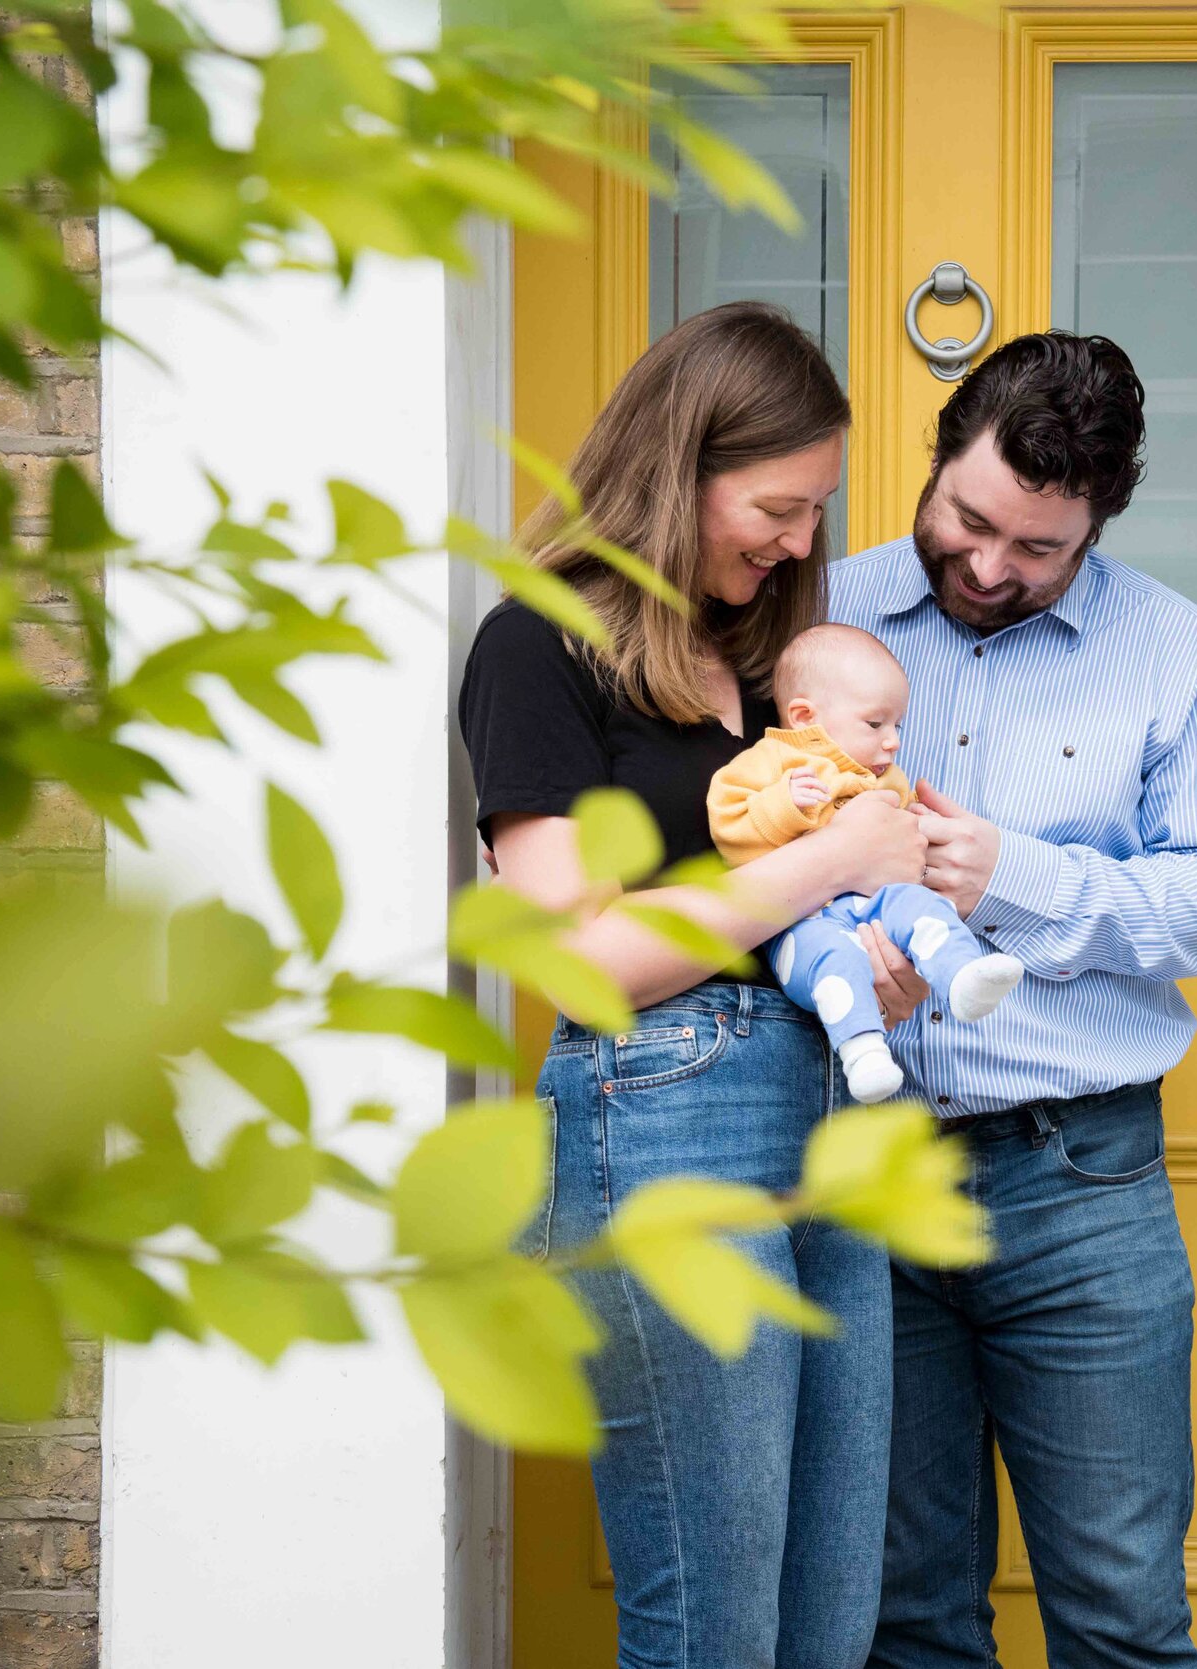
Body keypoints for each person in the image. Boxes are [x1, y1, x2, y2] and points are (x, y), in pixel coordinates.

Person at [456, 301, 932, 1669]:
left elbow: (728, 915)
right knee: (716, 1627)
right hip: (662, 1119)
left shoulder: (767, 675)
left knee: (830, 1629)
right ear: (682, 466)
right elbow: (572, 950)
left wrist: (884, 953)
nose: (797, 543)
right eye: (775, 506)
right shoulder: (536, 646)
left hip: (829, 1119)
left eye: (813, 514)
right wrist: (823, 863)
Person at [833, 332, 1197, 1669]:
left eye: (1039, 549)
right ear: (937, 461)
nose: (987, 567)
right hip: (860, 1178)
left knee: (1123, 1618)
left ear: (1099, 524)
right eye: (969, 521)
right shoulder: (820, 615)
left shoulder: (1171, 651)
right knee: (906, 1620)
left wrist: (1020, 879)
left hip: (1078, 1183)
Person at [706, 623, 1026, 1102]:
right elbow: (729, 825)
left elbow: (903, 844)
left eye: (898, 725)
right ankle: (863, 1054)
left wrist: (914, 826)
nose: (893, 741)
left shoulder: (886, 779)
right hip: (804, 922)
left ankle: (962, 975)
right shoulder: (770, 763)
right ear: (804, 717)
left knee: (919, 909)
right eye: (876, 725)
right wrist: (784, 805)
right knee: (832, 963)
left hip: (875, 907)